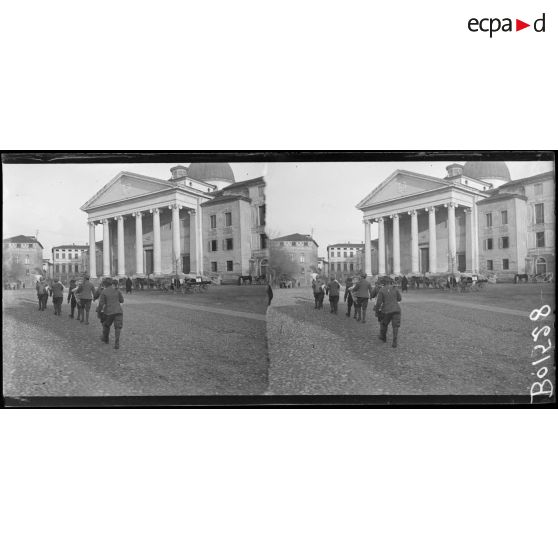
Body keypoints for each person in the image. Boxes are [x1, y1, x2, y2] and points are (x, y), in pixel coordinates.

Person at [375, 276, 402, 348]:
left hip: (386, 310)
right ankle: (394, 341)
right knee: (395, 326)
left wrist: (377, 311)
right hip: (396, 310)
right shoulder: (395, 289)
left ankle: (384, 338)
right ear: (390, 282)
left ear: (383, 282)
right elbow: (399, 299)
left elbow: (379, 303)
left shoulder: (382, 290)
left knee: (384, 324)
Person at [98, 277, 125, 349]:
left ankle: (106, 339)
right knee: (118, 327)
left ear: (105, 284)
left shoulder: (104, 292)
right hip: (118, 311)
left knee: (106, 325)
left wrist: (99, 311)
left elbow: (101, 304)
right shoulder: (117, 291)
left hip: (109, 312)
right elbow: (122, 300)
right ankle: (117, 343)